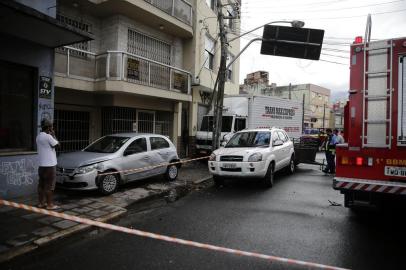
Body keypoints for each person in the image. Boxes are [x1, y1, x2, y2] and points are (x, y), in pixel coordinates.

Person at [36, 119, 59, 209]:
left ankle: (41, 203)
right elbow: (57, 145)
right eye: (51, 126)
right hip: (50, 165)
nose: (52, 128)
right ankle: (49, 205)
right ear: (49, 127)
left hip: (41, 165)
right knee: (49, 186)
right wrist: (54, 135)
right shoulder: (48, 136)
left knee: (41, 185)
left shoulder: (38, 136)